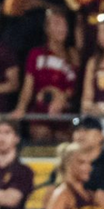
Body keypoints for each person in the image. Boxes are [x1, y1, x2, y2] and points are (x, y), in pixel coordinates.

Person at [11, 8, 79, 142]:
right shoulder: (36, 54)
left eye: (64, 24)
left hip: (64, 113)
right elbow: (28, 86)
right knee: (42, 135)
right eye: (57, 24)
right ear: (47, 29)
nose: (62, 29)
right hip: (40, 112)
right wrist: (21, 108)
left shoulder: (73, 55)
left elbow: (74, 86)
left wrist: (61, 97)